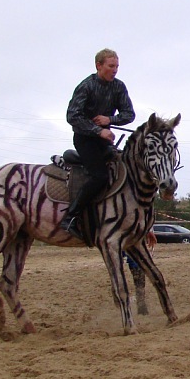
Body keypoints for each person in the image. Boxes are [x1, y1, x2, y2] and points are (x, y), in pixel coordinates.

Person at [60, 48, 135, 240]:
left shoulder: (119, 87)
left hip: (105, 140)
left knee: (123, 168)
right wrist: (98, 130)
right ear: (98, 66)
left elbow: (129, 114)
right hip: (85, 140)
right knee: (100, 176)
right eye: (111, 66)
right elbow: (72, 116)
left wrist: (109, 119)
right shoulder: (86, 86)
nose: (115, 70)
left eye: (117, 66)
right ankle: (70, 217)